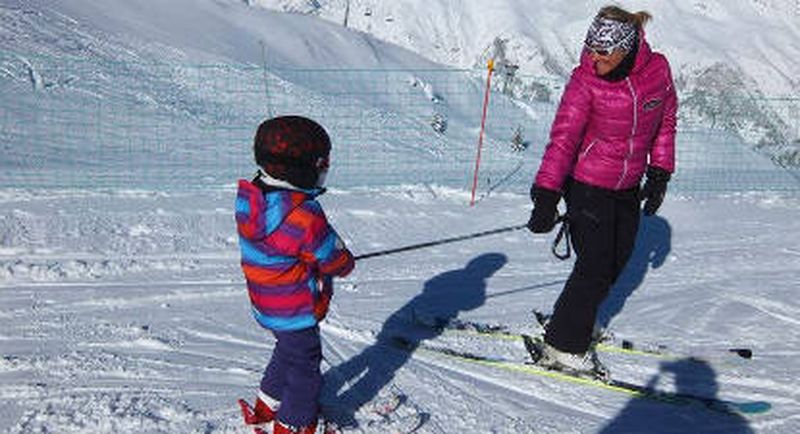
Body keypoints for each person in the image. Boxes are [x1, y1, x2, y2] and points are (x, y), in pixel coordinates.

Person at [527, 6, 677, 376]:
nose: (594, 58)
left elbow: (666, 120)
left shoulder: (657, 72)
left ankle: (571, 318)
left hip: (628, 187)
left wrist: (659, 172)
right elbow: (563, 140)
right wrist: (547, 194)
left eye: (603, 51)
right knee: (593, 266)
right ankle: (563, 344)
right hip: (587, 185)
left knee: (616, 262)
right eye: (590, 48)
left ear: (627, 48)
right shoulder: (585, 81)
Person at [235, 116, 355, 434]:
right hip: (295, 308)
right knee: (305, 363)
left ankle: (267, 405)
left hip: (265, 302)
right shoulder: (303, 215)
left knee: (288, 350)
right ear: (303, 168)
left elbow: (284, 245)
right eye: (321, 164)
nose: (324, 169)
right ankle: (295, 423)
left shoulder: (251, 200)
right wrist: (344, 263)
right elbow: (333, 258)